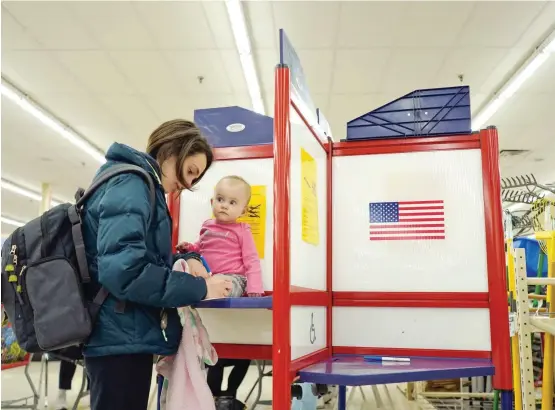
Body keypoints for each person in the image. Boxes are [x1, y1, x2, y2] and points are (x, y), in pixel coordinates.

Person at [81, 119, 233, 410]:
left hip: (122, 332)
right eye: (190, 172)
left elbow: (138, 259)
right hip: (118, 334)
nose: (188, 184)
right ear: (172, 150)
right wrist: (200, 288)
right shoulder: (132, 183)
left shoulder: (138, 185)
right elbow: (125, 271)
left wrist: (184, 259)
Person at [177, 175, 264, 297]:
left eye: (232, 202)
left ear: (243, 211)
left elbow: (251, 260)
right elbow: (200, 247)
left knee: (223, 287)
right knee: (185, 280)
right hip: (209, 277)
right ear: (212, 202)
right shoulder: (207, 225)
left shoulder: (242, 230)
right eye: (220, 199)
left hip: (233, 278)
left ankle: (208, 291)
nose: (224, 205)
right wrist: (189, 247)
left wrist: (254, 287)